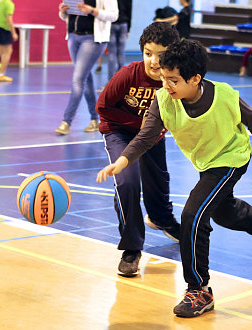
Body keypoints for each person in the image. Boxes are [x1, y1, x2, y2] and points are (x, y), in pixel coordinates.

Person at [97, 39, 252, 318]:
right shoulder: (163, 100)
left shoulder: (225, 96)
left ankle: (199, 289)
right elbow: (146, 136)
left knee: (193, 216)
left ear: (195, 78)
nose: (166, 85)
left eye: (173, 80)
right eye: (164, 79)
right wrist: (123, 160)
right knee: (223, 211)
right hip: (206, 162)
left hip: (231, 159)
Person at [96, 22, 181, 277]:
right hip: (118, 132)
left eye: (161, 54)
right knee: (128, 182)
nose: (153, 61)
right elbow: (103, 107)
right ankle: (131, 248)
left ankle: (161, 219)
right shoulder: (128, 75)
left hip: (151, 135)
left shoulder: (174, 80)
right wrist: (139, 125)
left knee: (158, 181)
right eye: (148, 53)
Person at [55, 0, 118, 135]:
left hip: (93, 39)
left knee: (78, 79)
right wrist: (63, 11)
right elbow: (66, 16)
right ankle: (95, 120)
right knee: (85, 77)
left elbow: (114, 16)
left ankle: (66, 121)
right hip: (73, 36)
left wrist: (92, 11)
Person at [108, 0, 132, 80]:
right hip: (123, 24)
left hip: (111, 24)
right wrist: (128, 29)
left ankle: (111, 80)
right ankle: (121, 79)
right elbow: (129, 12)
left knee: (112, 53)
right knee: (121, 52)